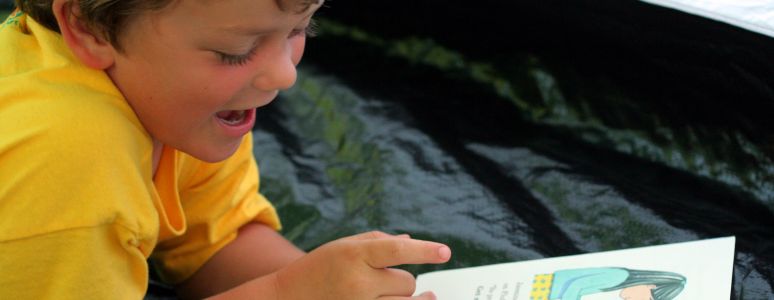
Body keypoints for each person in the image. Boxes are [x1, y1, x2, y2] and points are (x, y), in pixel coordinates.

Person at [0, 0, 451, 299]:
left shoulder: (177, 107)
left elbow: (220, 242)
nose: (284, 76)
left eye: (299, 27)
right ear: (89, 28)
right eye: (236, 50)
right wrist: (283, 292)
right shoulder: (68, 157)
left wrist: (333, 285)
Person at [530, 267, 686, 300]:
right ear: (651, 285)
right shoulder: (619, 276)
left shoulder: (616, 281)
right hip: (543, 289)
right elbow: (575, 285)